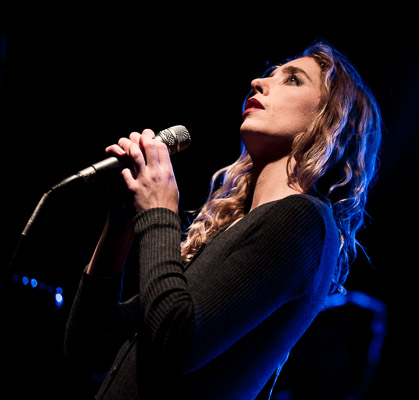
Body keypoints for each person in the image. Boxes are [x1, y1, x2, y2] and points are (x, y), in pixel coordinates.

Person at [64, 41, 383, 399]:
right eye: (270, 74)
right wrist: (119, 225)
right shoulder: (240, 227)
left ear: (330, 121)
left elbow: (178, 341)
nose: (258, 82)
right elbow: (88, 346)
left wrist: (160, 209)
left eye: (293, 79)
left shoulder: (302, 220)